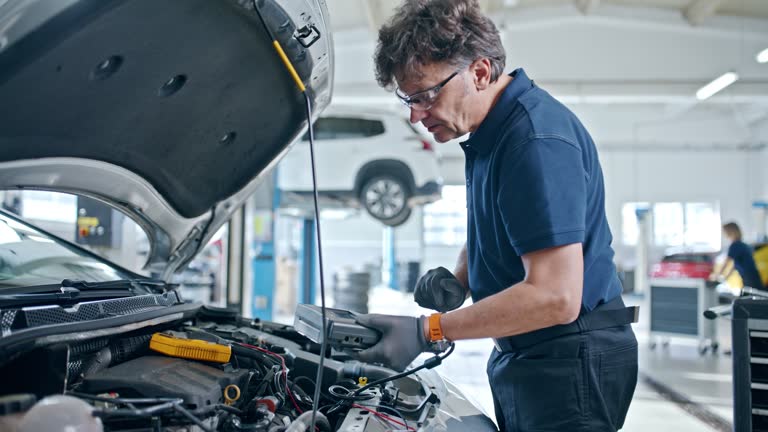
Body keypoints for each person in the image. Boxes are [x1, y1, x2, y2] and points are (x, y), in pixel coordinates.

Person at [353, 1, 639, 430]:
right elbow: (510, 223)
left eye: (425, 95)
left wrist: (430, 330)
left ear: (480, 73)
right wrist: (461, 279)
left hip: (568, 360)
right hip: (531, 352)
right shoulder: (491, 133)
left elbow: (555, 297)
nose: (415, 115)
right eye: (408, 99)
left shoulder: (534, 141)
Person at [711, 222, 764, 289]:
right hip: (751, 277)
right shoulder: (742, 244)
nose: (724, 234)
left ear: (730, 232)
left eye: (725, 232)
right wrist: (725, 277)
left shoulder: (735, 245)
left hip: (749, 279)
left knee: (752, 294)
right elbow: (734, 266)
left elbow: (726, 263)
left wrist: (716, 275)